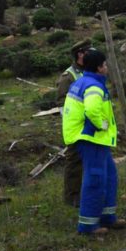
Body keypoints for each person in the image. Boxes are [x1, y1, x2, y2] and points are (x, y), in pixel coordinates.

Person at [62, 49, 124, 235]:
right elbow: (91, 110)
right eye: (104, 65)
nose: (106, 67)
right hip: (91, 137)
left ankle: (107, 216)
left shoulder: (83, 81)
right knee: (96, 178)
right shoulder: (93, 86)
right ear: (99, 68)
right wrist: (102, 124)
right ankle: (88, 225)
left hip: (92, 137)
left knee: (109, 175)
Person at [56, 38, 92, 207]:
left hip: (92, 124)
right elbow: (62, 104)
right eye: (88, 52)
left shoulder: (90, 70)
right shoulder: (68, 76)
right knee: (74, 163)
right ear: (80, 54)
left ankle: (86, 193)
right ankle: (72, 197)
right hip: (76, 126)